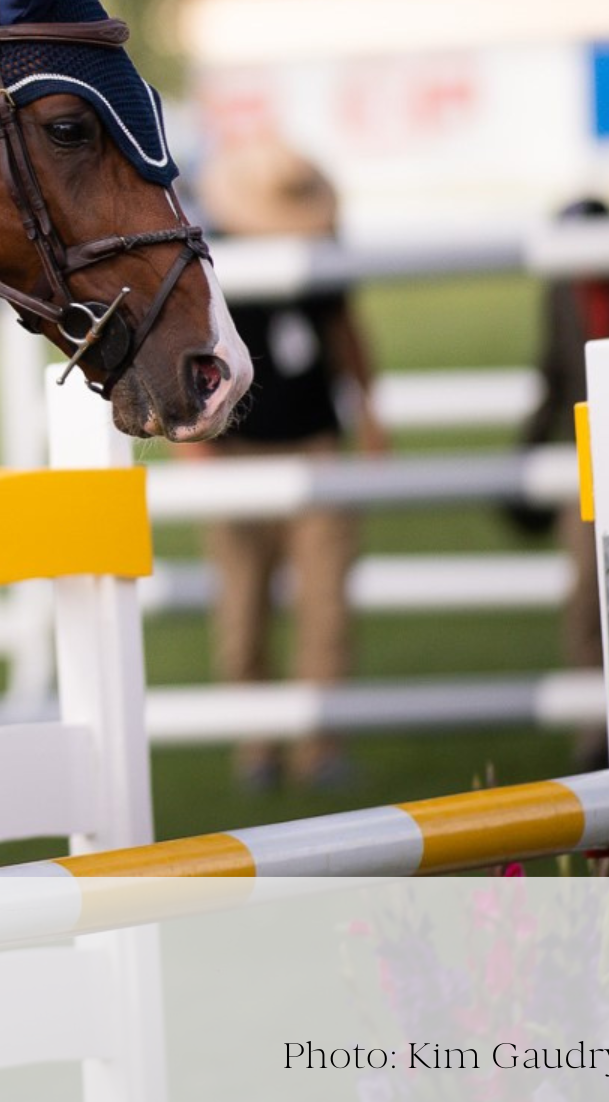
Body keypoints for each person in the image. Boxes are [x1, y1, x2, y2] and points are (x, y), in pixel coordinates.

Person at [192, 140, 386, 792]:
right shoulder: (209, 253)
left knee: (325, 607)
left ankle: (318, 747)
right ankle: (257, 747)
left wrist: (369, 412)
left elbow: (343, 330)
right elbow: (186, 347)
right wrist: (193, 440)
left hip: (316, 442)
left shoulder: (321, 244)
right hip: (234, 449)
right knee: (240, 611)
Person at [515, 197, 609, 770]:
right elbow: (552, 375)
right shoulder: (562, 293)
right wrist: (528, 454)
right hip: (585, 454)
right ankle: (596, 734)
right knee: (589, 596)